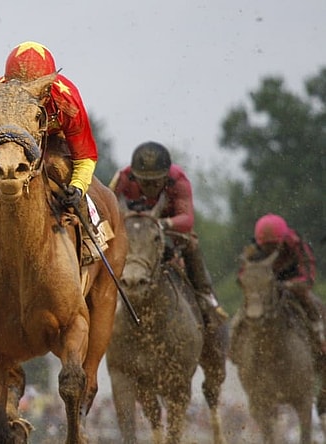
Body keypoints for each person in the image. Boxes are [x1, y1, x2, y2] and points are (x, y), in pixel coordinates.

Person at [0, 41, 99, 248]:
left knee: (58, 165)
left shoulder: (68, 102)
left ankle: (87, 233)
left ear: (47, 88)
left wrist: (77, 188)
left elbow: (85, 157)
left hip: (53, 138)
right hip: (6, 143)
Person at [110, 141, 229, 328]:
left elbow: (187, 219)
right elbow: (105, 206)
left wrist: (163, 224)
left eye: (156, 182)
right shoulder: (123, 178)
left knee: (191, 244)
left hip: (167, 226)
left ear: (166, 177)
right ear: (135, 176)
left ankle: (205, 297)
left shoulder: (179, 181)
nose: (150, 187)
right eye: (144, 182)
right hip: (131, 227)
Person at [241, 213, 326, 353]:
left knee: (308, 301)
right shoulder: (253, 250)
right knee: (247, 307)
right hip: (266, 283)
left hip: (294, 279)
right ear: (259, 243)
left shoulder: (297, 245)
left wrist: (287, 285)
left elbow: (308, 279)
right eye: (266, 246)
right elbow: (243, 276)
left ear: (282, 240)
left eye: (274, 245)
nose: (270, 250)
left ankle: (319, 335)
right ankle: (235, 342)